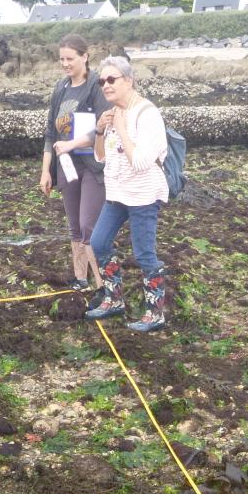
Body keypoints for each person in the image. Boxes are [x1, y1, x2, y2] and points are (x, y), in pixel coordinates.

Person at [84, 56, 172, 333]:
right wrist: (100, 129)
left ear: (129, 80)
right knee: (98, 243)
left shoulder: (147, 114)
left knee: (144, 254)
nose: (106, 85)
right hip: (118, 192)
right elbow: (100, 156)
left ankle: (155, 313)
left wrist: (121, 128)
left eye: (112, 79)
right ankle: (114, 299)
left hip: (144, 195)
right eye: (101, 81)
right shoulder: (111, 113)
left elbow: (141, 161)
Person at [38, 34, 110, 290]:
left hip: (93, 166)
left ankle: (102, 286)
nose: (65, 64)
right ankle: (81, 279)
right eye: (62, 59)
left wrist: (71, 144)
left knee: (89, 225)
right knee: (75, 228)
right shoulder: (61, 88)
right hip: (66, 166)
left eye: (70, 58)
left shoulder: (96, 86)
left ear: (85, 57)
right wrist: (46, 171)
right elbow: (51, 132)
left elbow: (104, 129)